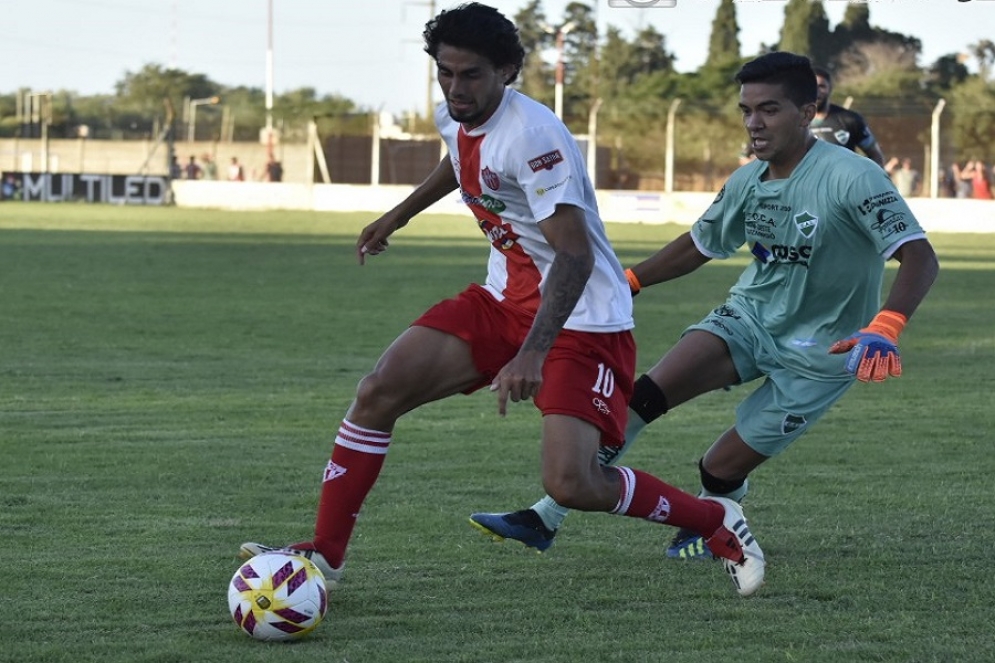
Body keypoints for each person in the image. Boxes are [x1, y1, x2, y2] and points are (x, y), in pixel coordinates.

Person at [238, 2, 765, 598]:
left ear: (507, 71)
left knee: (573, 484)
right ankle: (326, 552)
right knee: (378, 390)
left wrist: (533, 353)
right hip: (502, 300)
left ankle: (714, 521)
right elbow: (460, 156)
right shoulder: (455, 111)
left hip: (581, 319)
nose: (455, 88)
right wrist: (398, 215)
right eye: (445, 73)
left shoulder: (534, 138)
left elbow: (574, 257)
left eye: (471, 75)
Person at [469, 51, 939, 564]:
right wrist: (630, 281)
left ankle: (721, 511)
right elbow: (699, 245)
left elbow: (919, 255)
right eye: (747, 110)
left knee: (718, 468)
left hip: (823, 352)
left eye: (770, 110)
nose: (754, 123)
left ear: (807, 113)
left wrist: (886, 325)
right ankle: (545, 517)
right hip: (748, 319)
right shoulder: (747, 181)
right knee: (641, 398)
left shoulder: (853, 176)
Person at [808, 66, 885, 167]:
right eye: (812, 86)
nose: (816, 91)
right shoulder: (795, 121)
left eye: (821, 86)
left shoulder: (850, 120)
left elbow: (876, 156)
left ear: (830, 89)